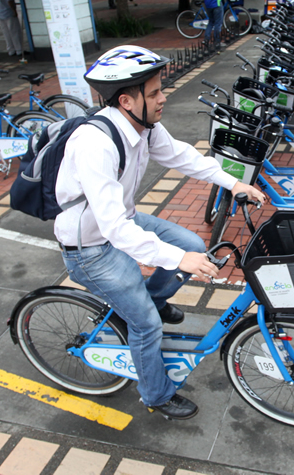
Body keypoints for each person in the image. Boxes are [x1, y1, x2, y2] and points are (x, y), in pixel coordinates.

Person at [62, 45, 266, 420]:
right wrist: (176, 259)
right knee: (147, 325)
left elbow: (183, 157)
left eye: (161, 89)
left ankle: (150, 301)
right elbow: (112, 228)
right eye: (154, 92)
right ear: (126, 100)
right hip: (90, 246)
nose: (163, 97)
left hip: (121, 223)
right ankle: (155, 395)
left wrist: (233, 183)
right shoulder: (95, 144)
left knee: (191, 244)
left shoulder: (143, 126)